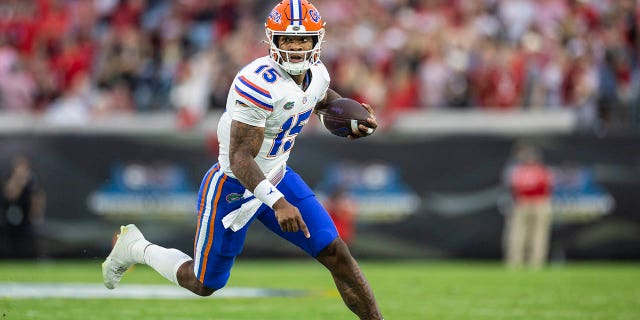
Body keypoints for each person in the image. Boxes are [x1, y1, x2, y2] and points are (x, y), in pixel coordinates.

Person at [102, 1, 384, 319]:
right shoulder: (256, 83)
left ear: (316, 40)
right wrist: (278, 203)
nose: (295, 47)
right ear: (272, 41)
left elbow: (317, 97)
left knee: (336, 253)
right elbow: (240, 158)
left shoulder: (318, 73)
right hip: (232, 185)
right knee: (204, 283)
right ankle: (135, 246)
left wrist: (351, 115)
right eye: (287, 40)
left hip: (277, 175)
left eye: (302, 39)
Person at [502, 143, 554, 269]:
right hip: (531, 202)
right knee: (524, 234)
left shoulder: (521, 171)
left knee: (529, 234)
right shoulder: (540, 170)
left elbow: (513, 187)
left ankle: (524, 262)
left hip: (531, 202)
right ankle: (528, 262)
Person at [0, 155, 46, 259]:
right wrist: (19, 181)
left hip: (25, 217)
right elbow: (10, 195)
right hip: (9, 216)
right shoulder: (9, 177)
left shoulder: (32, 179)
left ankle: (34, 257)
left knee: (29, 241)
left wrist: (37, 213)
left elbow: (38, 196)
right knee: (8, 241)